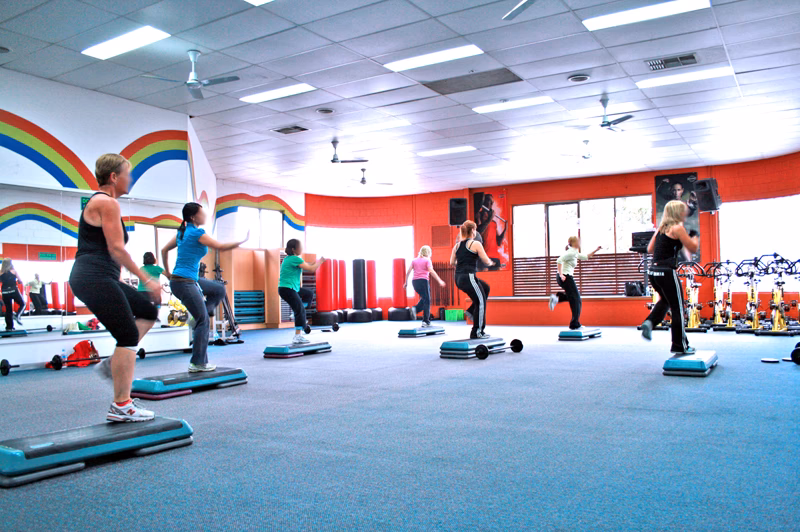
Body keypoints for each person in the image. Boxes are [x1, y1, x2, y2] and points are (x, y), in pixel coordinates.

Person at [68, 154, 161, 422]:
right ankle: (121, 405)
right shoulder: (106, 203)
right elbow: (117, 249)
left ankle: (113, 363)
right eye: (127, 174)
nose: (130, 179)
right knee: (128, 334)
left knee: (147, 311)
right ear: (113, 177)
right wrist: (147, 279)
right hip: (93, 277)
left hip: (101, 277)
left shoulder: (104, 203)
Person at [162, 202, 247, 372]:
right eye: (202, 213)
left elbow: (164, 250)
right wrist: (242, 241)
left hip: (185, 280)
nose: (205, 216)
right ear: (193, 217)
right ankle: (198, 363)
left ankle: (201, 314)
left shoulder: (182, 232)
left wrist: (168, 273)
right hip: (184, 282)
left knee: (219, 289)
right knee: (203, 321)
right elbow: (220, 246)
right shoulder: (196, 233)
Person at [639, 200, 700, 355]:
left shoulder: (661, 229)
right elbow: (693, 248)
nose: (685, 213)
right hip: (667, 272)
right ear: (678, 213)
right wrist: (695, 237)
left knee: (666, 301)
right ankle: (680, 346)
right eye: (683, 211)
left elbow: (650, 249)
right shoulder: (677, 228)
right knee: (678, 308)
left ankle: (650, 322)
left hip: (654, 272)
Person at [450, 220, 493, 339]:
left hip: (458, 278)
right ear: (473, 231)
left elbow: (452, 262)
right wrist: (490, 263)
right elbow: (486, 261)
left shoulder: (457, 246)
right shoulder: (475, 244)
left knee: (485, 287)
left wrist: (462, 262)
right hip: (468, 277)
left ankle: (470, 310)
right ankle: (477, 332)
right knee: (481, 302)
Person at [278, 239, 326, 344]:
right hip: (287, 289)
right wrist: (321, 262)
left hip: (290, 288)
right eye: (300, 247)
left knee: (309, 293)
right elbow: (312, 269)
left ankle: (297, 311)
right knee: (300, 310)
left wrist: (315, 262)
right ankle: (297, 337)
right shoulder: (295, 259)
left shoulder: (289, 259)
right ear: (294, 249)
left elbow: (308, 265)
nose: (302, 249)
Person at [548, 237, 602, 330]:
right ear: (574, 243)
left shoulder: (574, 252)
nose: (579, 243)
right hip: (565, 277)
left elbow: (586, 256)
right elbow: (559, 260)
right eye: (578, 241)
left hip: (565, 277)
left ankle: (557, 298)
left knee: (574, 298)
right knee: (576, 299)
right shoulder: (571, 253)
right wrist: (561, 274)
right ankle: (575, 324)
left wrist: (596, 250)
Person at [403, 245, 446, 327]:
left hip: (415, 282)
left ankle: (416, 309)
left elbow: (408, 272)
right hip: (423, 281)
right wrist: (439, 280)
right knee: (427, 301)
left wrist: (406, 282)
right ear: (428, 252)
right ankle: (425, 321)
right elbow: (431, 271)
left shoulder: (414, 260)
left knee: (425, 298)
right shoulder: (427, 260)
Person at [1, 259, 25, 330]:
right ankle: (17, 315)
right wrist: (17, 281)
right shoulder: (14, 271)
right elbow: (20, 281)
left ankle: (9, 327)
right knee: (22, 304)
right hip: (13, 290)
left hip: (5, 292)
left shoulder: (0, 272)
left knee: (8, 309)